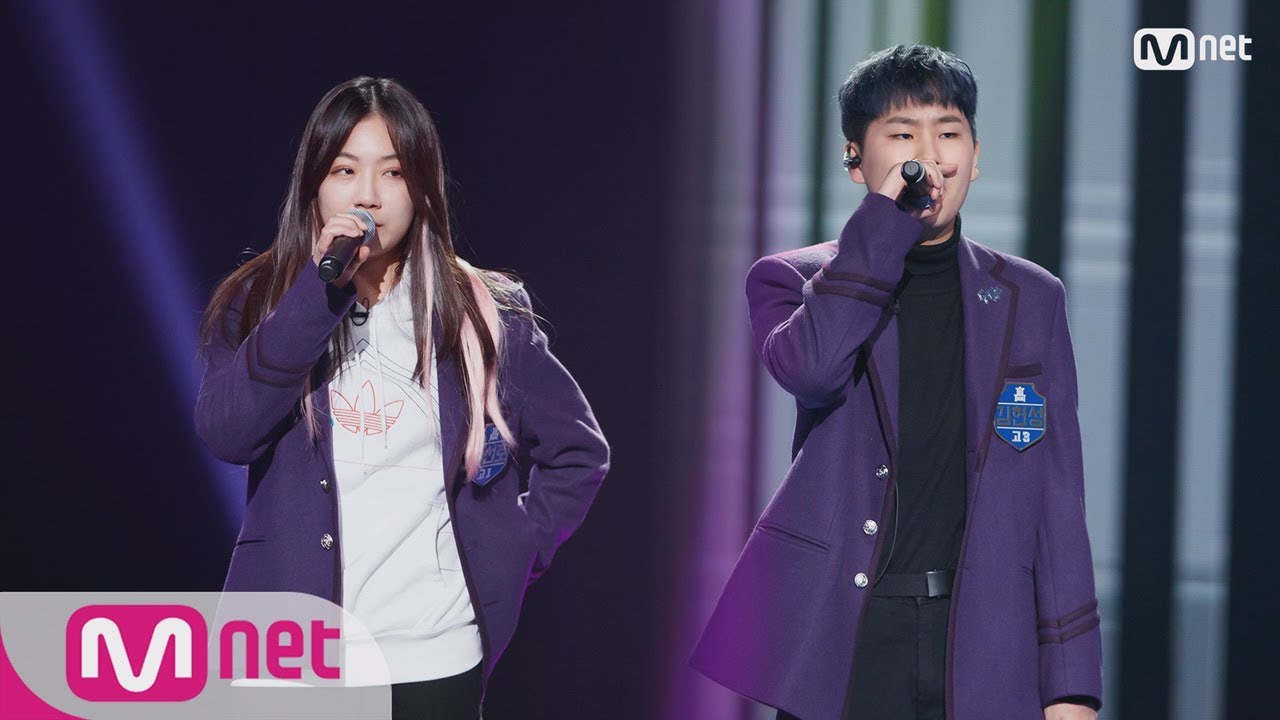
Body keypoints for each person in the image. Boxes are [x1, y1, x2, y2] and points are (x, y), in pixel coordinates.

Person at [690, 45, 1102, 720]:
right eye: (904, 135)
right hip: (849, 637)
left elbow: (1057, 499)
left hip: (984, 644)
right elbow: (813, 368)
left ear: (976, 155)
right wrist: (883, 225)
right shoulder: (793, 280)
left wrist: (1071, 687)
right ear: (856, 159)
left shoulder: (1030, 297)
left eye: (949, 133)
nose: (931, 157)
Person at [195, 76, 609, 719]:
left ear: (421, 188)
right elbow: (228, 433)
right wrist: (316, 295)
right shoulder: (262, 301)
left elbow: (578, 452)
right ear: (314, 186)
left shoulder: (482, 312)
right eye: (345, 170)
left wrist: (511, 544)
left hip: (432, 660)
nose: (367, 194)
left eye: (392, 172)